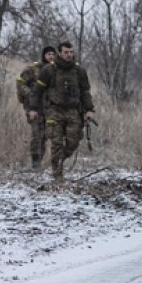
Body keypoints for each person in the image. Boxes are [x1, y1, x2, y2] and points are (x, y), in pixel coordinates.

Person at [27, 41, 95, 181]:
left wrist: (89, 109)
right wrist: (33, 109)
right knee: (56, 142)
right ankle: (57, 174)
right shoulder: (49, 70)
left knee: (74, 141)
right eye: (66, 52)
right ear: (60, 53)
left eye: (71, 52)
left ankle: (58, 160)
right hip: (54, 110)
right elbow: (37, 91)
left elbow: (85, 92)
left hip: (72, 110)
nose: (69, 55)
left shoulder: (79, 71)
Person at [17, 45, 57, 170]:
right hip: (33, 107)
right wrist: (31, 95)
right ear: (44, 55)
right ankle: (35, 162)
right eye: (49, 54)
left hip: (49, 108)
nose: (51, 57)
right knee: (36, 134)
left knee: (44, 135)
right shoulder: (33, 69)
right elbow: (20, 83)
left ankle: (39, 161)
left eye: (53, 54)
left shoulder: (56, 70)